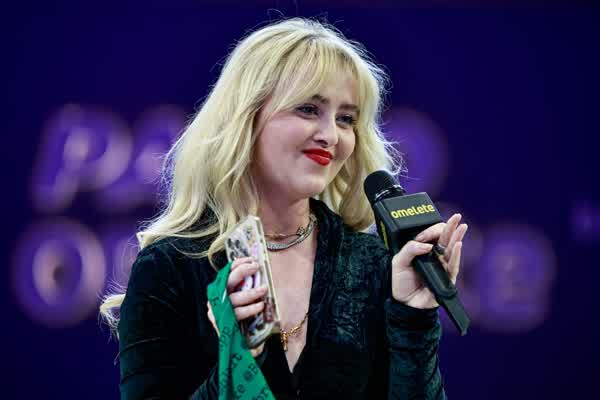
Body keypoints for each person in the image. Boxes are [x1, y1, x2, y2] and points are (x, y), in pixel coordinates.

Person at [100, 17, 468, 399]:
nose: (331, 135)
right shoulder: (170, 267)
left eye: (346, 119)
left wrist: (414, 319)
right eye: (308, 109)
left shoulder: (373, 265)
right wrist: (238, 363)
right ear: (247, 117)